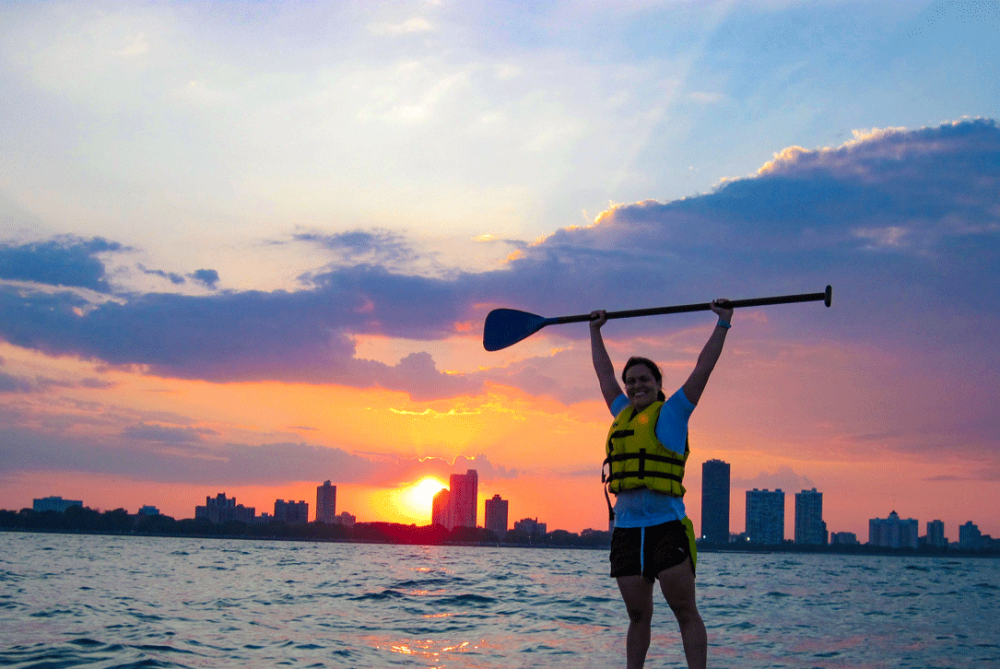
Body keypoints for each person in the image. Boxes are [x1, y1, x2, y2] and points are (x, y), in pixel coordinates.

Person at [589, 299, 733, 669]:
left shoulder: (674, 413)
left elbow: (704, 367)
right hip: (626, 531)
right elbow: (604, 376)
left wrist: (723, 323)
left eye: (644, 380)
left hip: (666, 529)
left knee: (685, 611)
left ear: (657, 384)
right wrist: (595, 330)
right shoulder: (622, 413)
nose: (637, 386)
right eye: (632, 381)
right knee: (638, 616)